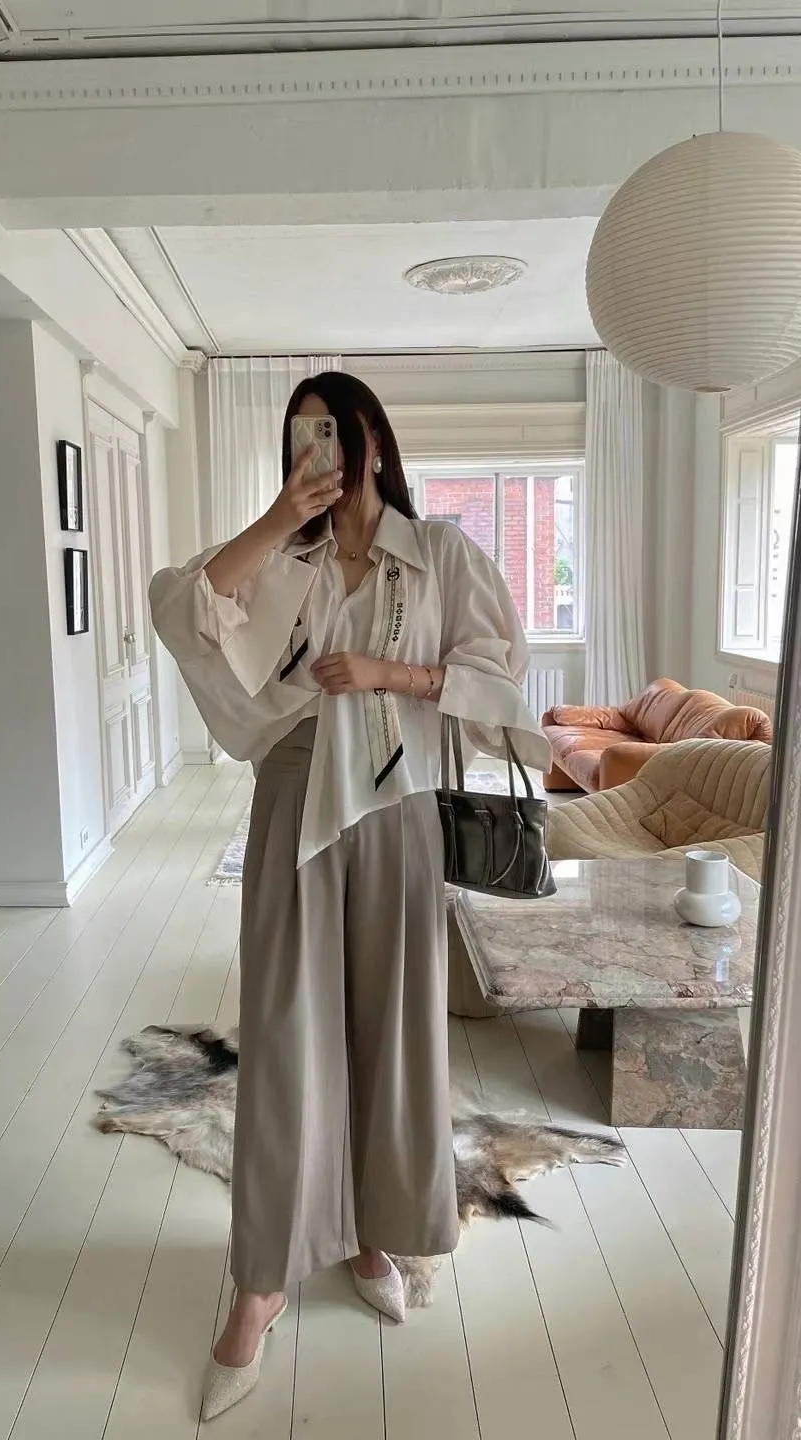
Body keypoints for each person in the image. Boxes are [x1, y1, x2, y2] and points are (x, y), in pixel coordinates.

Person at [149, 371, 550, 1421]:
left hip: (398, 805)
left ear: (371, 436)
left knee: (391, 1033)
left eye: (329, 433)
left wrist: (389, 674)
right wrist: (279, 516)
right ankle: (262, 1282)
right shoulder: (284, 558)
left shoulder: (443, 555)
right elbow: (180, 608)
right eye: (299, 439)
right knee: (287, 1036)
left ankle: (375, 1232)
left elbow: (499, 681)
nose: (315, 452)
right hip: (293, 800)